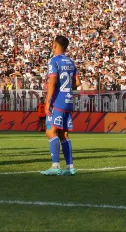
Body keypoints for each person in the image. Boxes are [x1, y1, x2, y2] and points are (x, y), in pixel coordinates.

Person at [41, 36, 80, 176]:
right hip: (69, 99)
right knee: (63, 133)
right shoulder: (71, 62)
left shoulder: (54, 61)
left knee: (50, 131)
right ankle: (70, 167)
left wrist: (47, 102)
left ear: (55, 45)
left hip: (58, 100)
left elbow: (52, 81)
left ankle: (55, 165)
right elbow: (77, 82)